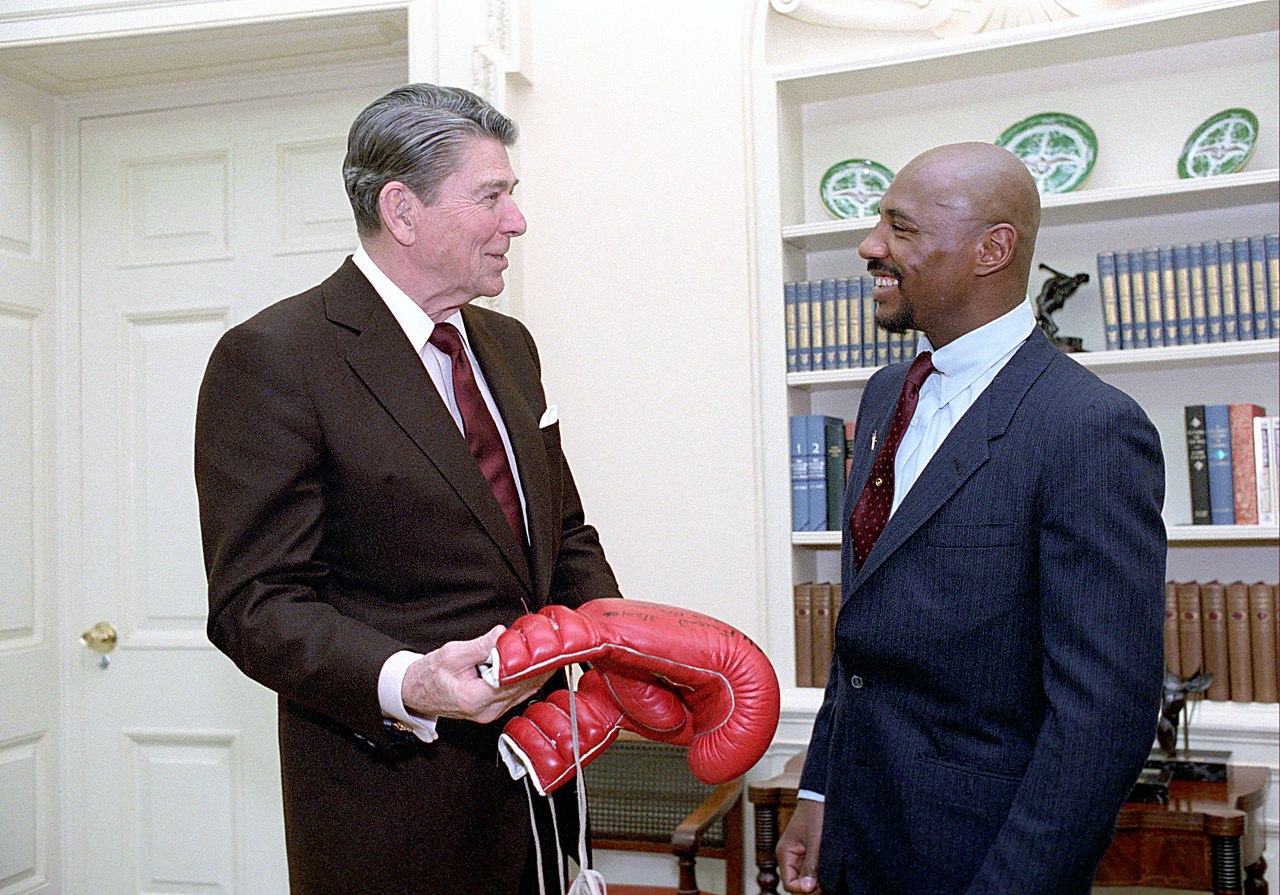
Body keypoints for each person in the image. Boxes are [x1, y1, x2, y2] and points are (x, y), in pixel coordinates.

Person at [194, 83, 622, 895]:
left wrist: (618, 646)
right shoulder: (276, 357)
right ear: (402, 209)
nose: (517, 222)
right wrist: (413, 680)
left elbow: (562, 536)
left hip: (540, 793)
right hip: (391, 815)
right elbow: (255, 604)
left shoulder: (509, 344)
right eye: (492, 196)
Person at [777, 142, 1166, 895]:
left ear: (994, 249)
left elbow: (1103, 717)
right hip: (857, 840)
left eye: (902, 228)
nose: (871, 247)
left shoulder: (1087, 428)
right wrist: (821, 791)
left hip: (984, 862)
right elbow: (861, 636)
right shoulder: (887, 392)